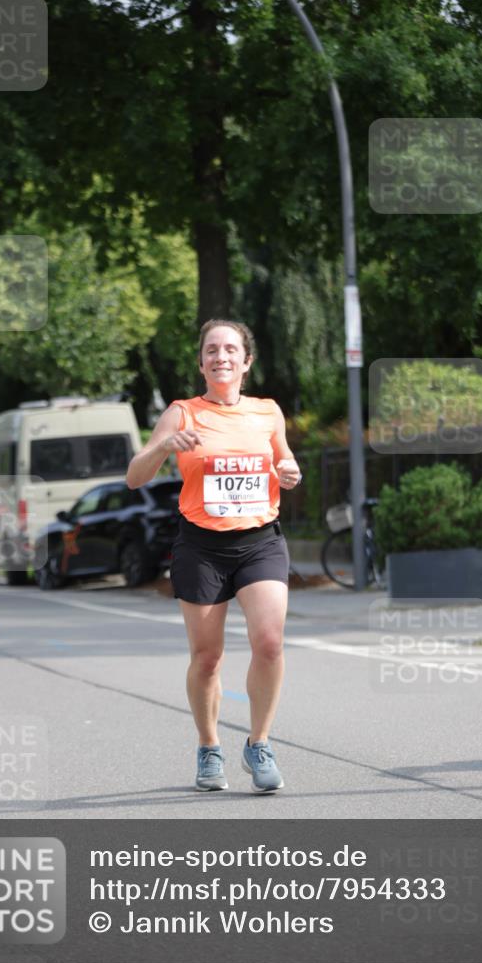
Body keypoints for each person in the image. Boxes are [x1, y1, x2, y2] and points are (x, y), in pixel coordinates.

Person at [126, 320, 301, 794]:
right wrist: (164, 445)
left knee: (269, 642)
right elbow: (135, 476)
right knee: (207, 658)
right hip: (202, 547)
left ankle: (259, 743)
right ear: (201, 362)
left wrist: (289, 471)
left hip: (260, 540)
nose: (220, 356)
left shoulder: (267, 412)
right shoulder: (182, 412)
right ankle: (209, 747)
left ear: (246, 362)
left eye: (230, 349)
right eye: (211, 350)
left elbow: (285, 460)